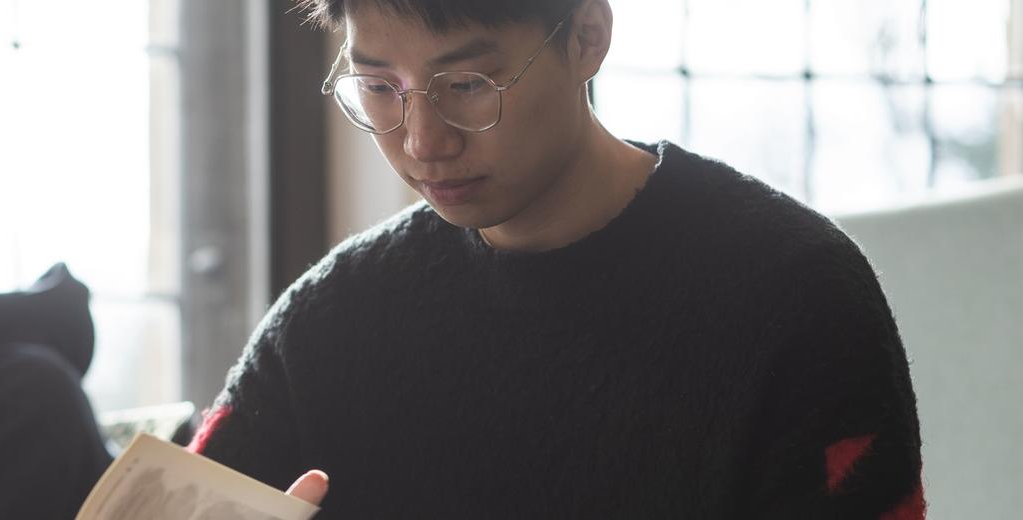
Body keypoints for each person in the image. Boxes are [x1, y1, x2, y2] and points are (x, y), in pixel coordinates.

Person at [190, 0, 926, 517]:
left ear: (587, 37)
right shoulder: (332, 321)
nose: (422, 141)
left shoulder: (794, 294)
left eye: (468, 85)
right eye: (380, 89)